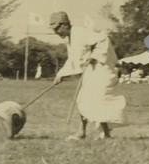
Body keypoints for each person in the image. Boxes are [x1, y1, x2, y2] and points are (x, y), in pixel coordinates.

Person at [51, 11, 126, 140]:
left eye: (57, 28)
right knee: (89, 100)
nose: (55, 32)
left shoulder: (80, 33)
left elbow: (103, 39)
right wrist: (61, 74)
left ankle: (83, 132)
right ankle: (104, 134)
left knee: (93, 100)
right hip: (93, 72)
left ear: (65, 25)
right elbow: (73, 60)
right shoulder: (71, 39)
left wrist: (94, 57)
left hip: (103, 69)